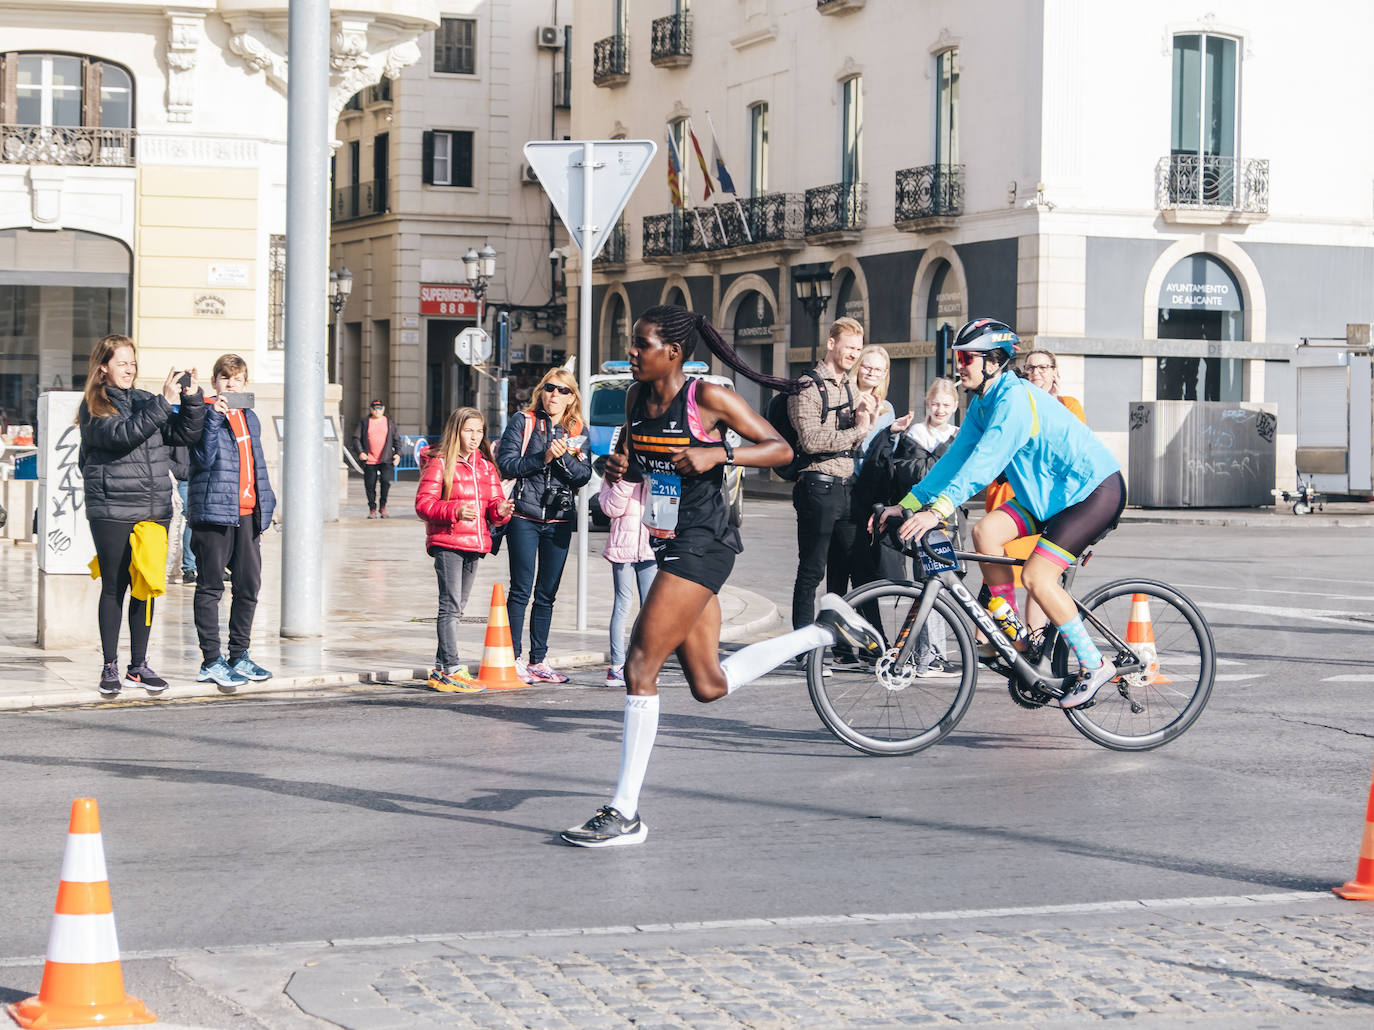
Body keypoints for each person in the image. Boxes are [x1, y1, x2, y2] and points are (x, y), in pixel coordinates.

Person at [561, 305, 884, 848]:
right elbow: (640, 461)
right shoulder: (636, 399)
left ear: (674, 353)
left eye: (641, 343)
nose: (633, 352)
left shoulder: (707, 398)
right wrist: (618, 468)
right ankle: (824, 631)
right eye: (633, 342)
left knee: (641, 661)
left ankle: (625, 812)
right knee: (708, 684)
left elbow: (782, 449)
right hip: (667, 541)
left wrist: (720, 453)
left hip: (705, 544)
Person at [880, 318, 1126, 710]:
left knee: (1036, 576)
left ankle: (1094, 664)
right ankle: (1013, 636)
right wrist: (909, 503)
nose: (959, 365)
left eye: (966, 357)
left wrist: (938, 510)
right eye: (957, 357)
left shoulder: (1013, 400)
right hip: (1045, 495)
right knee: (985, 534)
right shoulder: (982, 402)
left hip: (1091, 491)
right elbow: (955, 460)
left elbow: (984, 463)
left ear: (993, 361)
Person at [78, 333, 207, 697]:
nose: (129, 370)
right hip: (112, 507)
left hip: (153, 508)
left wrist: (191, 398)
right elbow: (124, 435)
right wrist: (163, 404)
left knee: (145, 586)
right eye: (122, 363)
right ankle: (109, 666)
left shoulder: (148, 401)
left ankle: (138, 665)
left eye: (132, 363)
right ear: (103, 368)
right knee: (114, 587)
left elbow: (186, 434)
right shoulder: (94, 407)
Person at [186, 354, 277, 692]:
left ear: (245, 384)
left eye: (236, 379)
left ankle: (239, 655)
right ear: (215, 383)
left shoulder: (251, 417)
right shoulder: (203, 412)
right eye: (224, 378)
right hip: (214, 511)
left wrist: (267, 503)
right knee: (211, 587)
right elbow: (200, 459)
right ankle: (211, 660)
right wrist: (213, 417)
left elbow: (257, 462)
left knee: (249, 586)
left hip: (247, 513)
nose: (230, 384)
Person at [788, 317, 879, 654]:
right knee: (811, 570)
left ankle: (874, 648)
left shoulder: (848, 385)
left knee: (862, 568)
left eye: (858, 349)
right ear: (831, 343)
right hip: (817, 484)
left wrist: (867, 419)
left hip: (845, 486)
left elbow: (858, 431)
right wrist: (859, 429)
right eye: (849, 347)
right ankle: (803, 650)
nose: (854, 354)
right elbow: (810, 440)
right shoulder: (807, 386)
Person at [495, 368, 592, 684]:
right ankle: (514, 658)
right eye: (550, 388)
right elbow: (508, 464)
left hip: (559, 519)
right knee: (521, 589)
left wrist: (562, 458)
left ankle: (539, 659)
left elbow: (583, 475)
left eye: (563, 390)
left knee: (547, 593)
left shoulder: (576, 429)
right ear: (542, 391)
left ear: (572, 397)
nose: (555, 395)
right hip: (524, 515)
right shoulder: (523, 422)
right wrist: (544, 455)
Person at [987, 348, 1089, 629]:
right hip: (1023, 498)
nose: (1037, 373)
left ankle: (1032, 636)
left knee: (1040, 576)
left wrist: (1052, 401)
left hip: (1058, 502)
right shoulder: (1019, 403)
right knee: (997, 567)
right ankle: (999, 636)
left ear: (1055, 372)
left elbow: (1074, 448)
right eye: (1031, 368)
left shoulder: (1068, 405)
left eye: (1044, 367)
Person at [415, 406, 513, 693]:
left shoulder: (484, 465)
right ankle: (451, 667)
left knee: (457, 607)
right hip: (448, 541)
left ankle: (442, 668)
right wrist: (455, 510)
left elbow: (494, 505)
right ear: (456, 431)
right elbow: (423, 505)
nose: (474, 437)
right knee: (450, 605)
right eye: (468, 430)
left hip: (476, 542)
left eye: (479, 431)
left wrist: (502, 509)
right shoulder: (440, 462)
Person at [598, 473, 656, 687]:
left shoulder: (652, 470)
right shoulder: (615, 472)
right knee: (622, 604)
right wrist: (627, 480)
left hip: (650, 548)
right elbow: (611, 509)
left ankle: (644, 665)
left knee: (650, 608)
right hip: (623, 546)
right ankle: (617, 667)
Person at [352, 399, 401, 518]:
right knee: (370, 485)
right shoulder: (365, 422)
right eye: (374, 408)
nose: (377, 410)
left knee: (385, 482)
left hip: (386, 459)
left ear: (383, 409)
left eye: (379, 408)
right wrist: (360, 452)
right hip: (370, 460)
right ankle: (372, 508)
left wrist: (398, 454)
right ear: (371, 409)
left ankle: (383, 506)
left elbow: (397, 439)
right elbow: (356, 438)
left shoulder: (389, 422)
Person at [168, 445, 197, 584]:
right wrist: (189, 472)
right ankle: (189, 568)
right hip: (185, 480)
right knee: (192, 518)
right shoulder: (173, 429)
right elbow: (165, 459)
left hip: (201, 477)